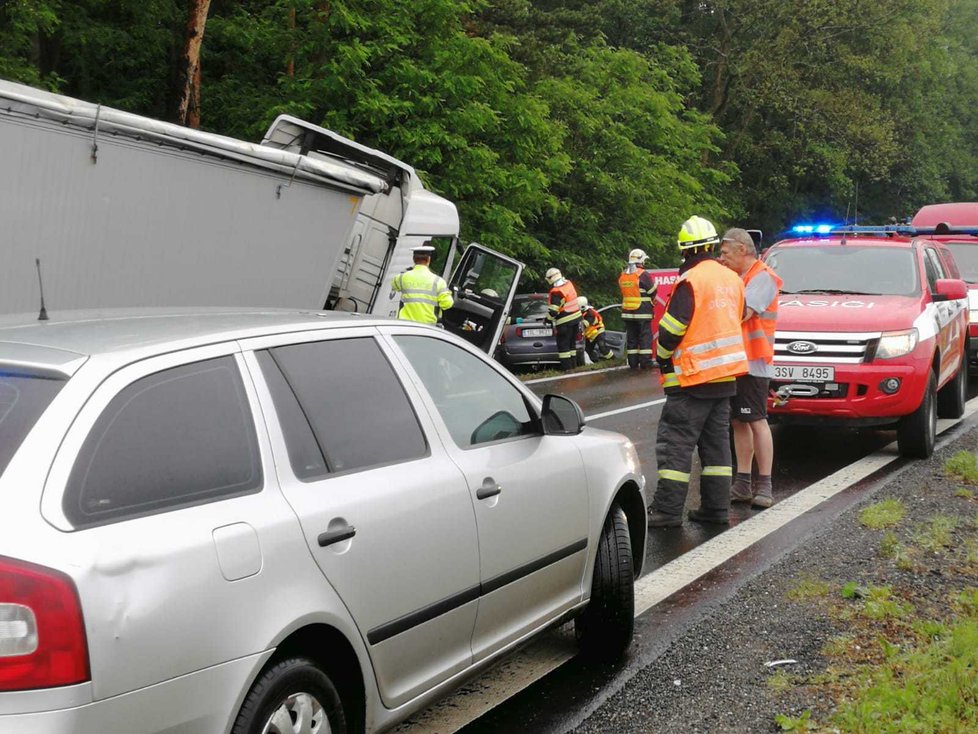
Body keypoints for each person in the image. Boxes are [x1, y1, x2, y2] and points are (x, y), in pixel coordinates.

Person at [647, 215, 748, 528]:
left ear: (685, 250)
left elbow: (670, 331)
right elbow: (739, 316)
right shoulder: (732, 278)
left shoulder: (690, 280)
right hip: (725, 379)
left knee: (675, 447)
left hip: (691, 381)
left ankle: (666, 511)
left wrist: (663, 360)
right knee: (717, 450)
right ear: (713, 245)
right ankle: (716, 511)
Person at [718, 227, 782, 509]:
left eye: (725, 252)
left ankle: (765, 484)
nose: (721, 258)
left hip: (754, 364)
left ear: (742, 250)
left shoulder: (763, 277)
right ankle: (743, 482)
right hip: (736, 362)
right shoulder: (738, 277)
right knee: (738, 422)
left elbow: (743, 312)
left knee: (757, 421)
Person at [391, 243, 454, 324]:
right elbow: (447, 304)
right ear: (428, 259)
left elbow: (393, 286)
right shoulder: (438, 282)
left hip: (404, 325)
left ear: (413, 259)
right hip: (426, 328)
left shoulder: (402, 277)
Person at [618, 248, 657, 369]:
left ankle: (633, 363)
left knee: (632, 338)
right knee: (645, 337)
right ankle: (646, 363)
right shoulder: (643, 274)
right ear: (641, 260)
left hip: (627, 313)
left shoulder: (624, 275)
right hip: (642, 312)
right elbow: (652, 291)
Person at [545, 268, 582, 370]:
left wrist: (547, 319)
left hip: (564, 322)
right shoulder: (568, 284)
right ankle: (573, 367)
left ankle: (567, 369)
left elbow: (553, 310)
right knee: (572, 345)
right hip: (576, 319)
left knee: (563, 347)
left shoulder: (556, 291)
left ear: (551, 278)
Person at [578, 296, 615, 362]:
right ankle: (595, 361)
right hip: (590, 335)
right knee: (587, 351)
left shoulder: (590, 313)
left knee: (602, 347)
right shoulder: (582, 312)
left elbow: (584, 325)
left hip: (598, 331)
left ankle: (613, 360)